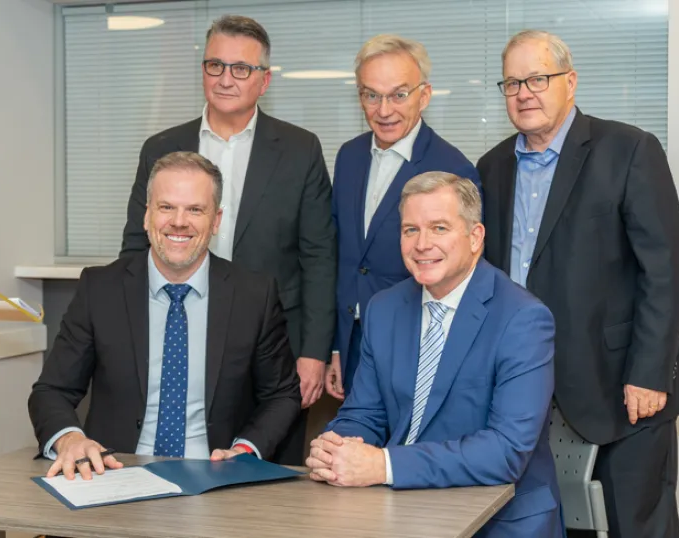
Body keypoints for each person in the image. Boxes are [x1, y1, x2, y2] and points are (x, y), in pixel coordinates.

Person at [477, 29, 679, 537]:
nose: (524, 92)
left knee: (639, 527)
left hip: (625, 391)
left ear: (569, 82)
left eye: (537, 78)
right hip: (529, 393)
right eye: (511, 83)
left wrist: (649, 372)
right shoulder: (491, 168)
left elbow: (663, 267)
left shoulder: (628, 149)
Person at [119, 15, 335, 465]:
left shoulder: (300, 149)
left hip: (273, 349)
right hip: (175, 335)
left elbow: (319, 257)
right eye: (215, 65)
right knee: (172, 463)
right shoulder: (161, 147)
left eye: (241, 68)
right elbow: (135, 248)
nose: (225, 79)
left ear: (264, 80)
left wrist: (314, 352)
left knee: (267, 479)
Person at [307, 171, 563, 538]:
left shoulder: (523, 319)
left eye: (439, 228)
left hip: (499, 520)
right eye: (410, 230)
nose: (421, 244)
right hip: (397, 510)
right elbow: (364, 414)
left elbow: (506, 452)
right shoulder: (384, 308)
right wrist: (336, 450)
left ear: (475, 238)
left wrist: (383, 465)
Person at [30, 151, 301, 480]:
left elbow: (282, 395)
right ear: (146, 216)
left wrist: (245, 450)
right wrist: (70, 439)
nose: (179, 221)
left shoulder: (254, 296)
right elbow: (51, 391)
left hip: (216, 480)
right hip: (115, 474)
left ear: (215, 221)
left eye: (195, 210)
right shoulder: (100, 290)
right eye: (166, 207)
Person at [327, 35, 480, 401]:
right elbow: (343, 258)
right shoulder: (349, 156)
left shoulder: (453, 170)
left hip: (415, 344)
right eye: (371, 95)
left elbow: (462, 276)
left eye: (398, 94)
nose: (384, 109)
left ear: (424, 95)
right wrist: (335, 346)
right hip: (351, 346)